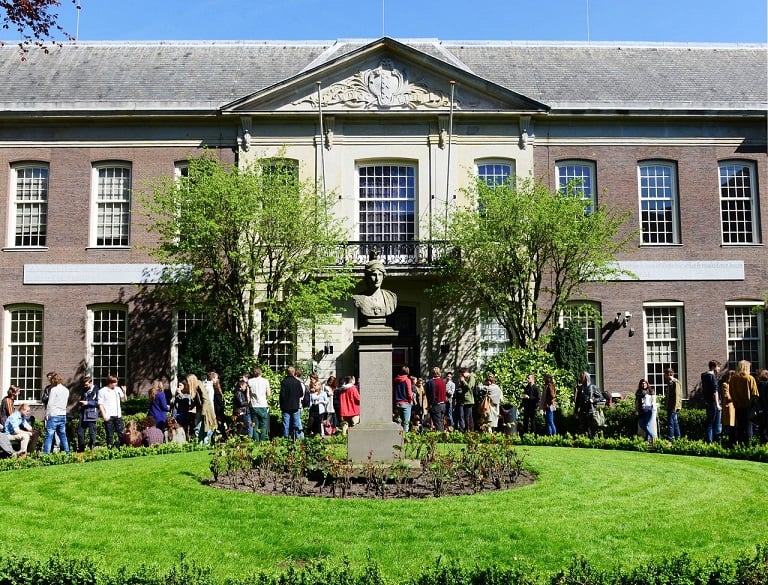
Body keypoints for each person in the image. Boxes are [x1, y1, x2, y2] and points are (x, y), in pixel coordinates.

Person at [351, 258, 397, 324]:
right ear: (367, 277)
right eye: (374, 275)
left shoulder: (391, 297)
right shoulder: (358, 299)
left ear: (383, 276)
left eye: (380, 274)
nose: (377, 279)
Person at [728, 360, 758, 445]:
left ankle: (739, 444)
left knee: (740, 426)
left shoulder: (733, 378)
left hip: (737, 406)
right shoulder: (749, 378)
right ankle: (748, 445)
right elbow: (755, 394)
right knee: (749, 427)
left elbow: (731, 392)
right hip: (748, 407)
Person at [43, 372, 70, 455]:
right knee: (62, 435)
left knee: (49, 435)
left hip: (54, 414)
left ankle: (46, 454)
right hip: (63, 414)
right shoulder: (66, 390)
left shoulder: (54, 390)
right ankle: (67, 453)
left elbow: (50, 404)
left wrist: (46, 415)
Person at [98, 375, 125, 448]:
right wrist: (104, 415)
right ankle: (110, 449)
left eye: (116, 382)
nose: (115, 384)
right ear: (110, 382)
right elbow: (100, 404)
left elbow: (124, 400)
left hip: (118, 415)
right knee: (109, 434)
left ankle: (122, 448)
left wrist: (124, 392)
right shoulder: (102, 391)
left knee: (121, 433)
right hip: (108, 416)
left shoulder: (118, 389)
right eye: (114, 382)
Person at [190, 373, 217, 444]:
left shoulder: (200, 385)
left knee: (205, 428)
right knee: (200, 428)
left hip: (205, 409)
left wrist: (203, 412)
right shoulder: (198, 386)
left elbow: (206, 399)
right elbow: (197, 399)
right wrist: (191, 407)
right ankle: (201, 444)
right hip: (201, 409)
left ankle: (204, 444)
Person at [574, 371, 602, 438]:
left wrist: (593, 400)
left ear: (586, 378)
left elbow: (601, 397)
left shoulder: (593, 387)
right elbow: (577, 401)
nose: (580, 379)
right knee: (581, 428)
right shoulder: (580, 388)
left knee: (591, 429)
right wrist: (575, 411)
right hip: (582, 411)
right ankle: (582, 441)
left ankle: (592, 441)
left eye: (581, 377)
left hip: (590, 411)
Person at [279, 366, 305, 439]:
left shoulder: (284, 382)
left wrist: (281, 404)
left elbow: (282, 395)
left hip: (286, 406)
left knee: (286, 423)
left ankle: (286, 438)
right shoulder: (297, 382)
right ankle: (296, 438)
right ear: (294, 372)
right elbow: (301, 394)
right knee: (296, 423)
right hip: (295, 405)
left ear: (286, 373)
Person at [701, 360, 722, 443]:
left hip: (708, 401)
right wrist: (717, 404)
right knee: (715, 423)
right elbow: (715, 391)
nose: (719, 368)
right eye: (718, 367)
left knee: (709, 423)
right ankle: (715, 441)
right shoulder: (712, 376)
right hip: (713, 403)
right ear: (713, 367)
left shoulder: (704, 375)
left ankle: (709, 441)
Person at [248, 367, 271, 442]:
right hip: (263, 404)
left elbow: (248, 395)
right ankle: (262, 441)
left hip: (254, 405)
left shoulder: (250, 381)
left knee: (255, 425)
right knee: (263, 425)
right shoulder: (265, 381)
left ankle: (256, 441)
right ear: (261, 373)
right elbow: (268, 394)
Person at [77, 376, 100, 451]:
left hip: (91, 414)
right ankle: (81, 450)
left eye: (86, 384)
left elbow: (98, 402)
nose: (85, 386)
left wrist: (87, 402)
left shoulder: (97, 390)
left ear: (91, 382)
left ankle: (91, 449)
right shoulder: (84, 390)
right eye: (84, 385)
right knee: (80, 432)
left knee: (92, 433)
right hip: (82, 413)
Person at [425, 367, 448, 432]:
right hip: (443, 405)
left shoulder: (430, 382)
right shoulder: (443, 382)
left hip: (435, 405)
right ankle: (442, 435)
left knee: (437, 423)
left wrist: (429, 405)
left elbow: (429, 395)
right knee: (441, 422)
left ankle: (441, 437)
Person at [635, 379, 657, 443]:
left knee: (646, 425)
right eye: (642, 383)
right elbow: (636, 402)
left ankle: (651, 437)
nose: (644, 385)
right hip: (641, 411)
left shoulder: (650, 391)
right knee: (641, 424)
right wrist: (636, 410)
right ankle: (651, 437)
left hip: (648, 411)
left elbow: (653, 401)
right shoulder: (638, 392)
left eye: (645, 383)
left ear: (647, 384)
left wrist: (653, 409)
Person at [664, 368, 683, 441]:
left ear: (669, 374)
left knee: (671, 423)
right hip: (670, 406)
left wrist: (674, 407)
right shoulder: (670, 382)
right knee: (674, 422)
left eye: (665, 374)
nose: (664, 376)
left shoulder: (675, 382)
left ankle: (670, 438)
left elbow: (677, 395)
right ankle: (678, 438)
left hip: (673, 407)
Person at [393, 366, 413, 432]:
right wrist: (410, 401)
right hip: (406, 403)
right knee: (406, 424)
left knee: (398, 423)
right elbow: (409, 393)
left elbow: (393, 391)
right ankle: (405, 440)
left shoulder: (396, 380)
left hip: (397, 403)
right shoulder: (407, 380)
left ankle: (397, 439)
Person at [456, 368, 476, 432]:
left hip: (469, 400)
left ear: (464, 373)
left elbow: (469, 387)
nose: (461, 376)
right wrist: (461, 383)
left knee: (467, 417)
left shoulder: (471, 377)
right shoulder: (467, 378)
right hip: (465, 400)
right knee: (468, 416)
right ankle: (470, 430)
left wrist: (463, 381)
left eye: (461, 374)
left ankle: (467, 430)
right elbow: (464, 388)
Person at [721, 371, 736, 447]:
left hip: (734, 407)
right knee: (730, 426)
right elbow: (726, 396)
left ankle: (733, 442)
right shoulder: (725, 384)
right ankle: (730, 443)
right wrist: (736, 398)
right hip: (729, 407)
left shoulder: (734, 385)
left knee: (734, 426)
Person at [756, 369, 768, 444]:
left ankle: (763, 444)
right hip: (765, 409)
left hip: (761, 410)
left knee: (762, 429)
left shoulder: (759, 385)